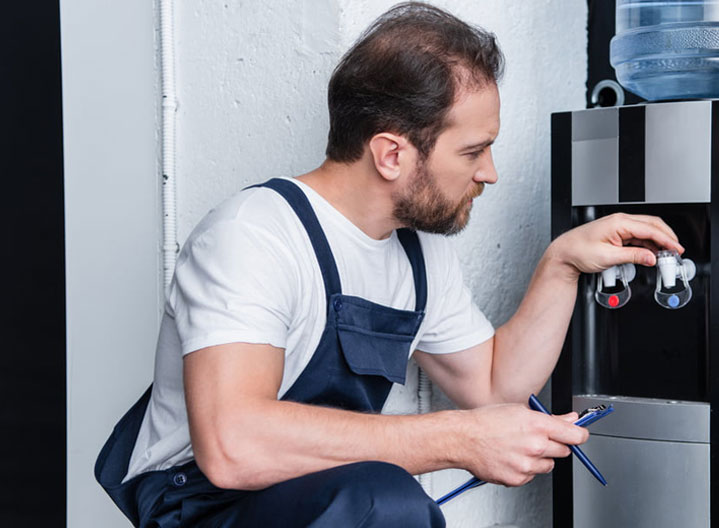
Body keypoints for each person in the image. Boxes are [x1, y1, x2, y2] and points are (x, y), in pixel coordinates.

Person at [95, 3, 684, 527]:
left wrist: (562, 264)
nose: (489, 173)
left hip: (322, 497)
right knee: (386, 500)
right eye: (473, 151)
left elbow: (494, 387)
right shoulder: (253, 236)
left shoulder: (417, 250)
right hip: (201, 504)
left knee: (382, 499)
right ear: (392, 154)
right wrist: (458, 439)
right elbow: (233, 447)